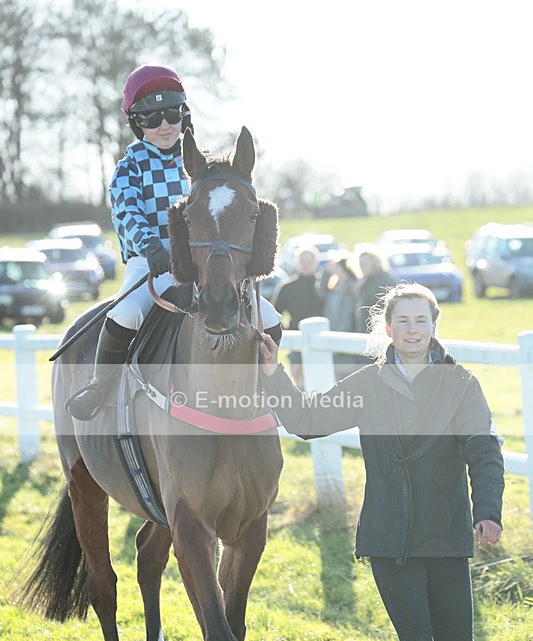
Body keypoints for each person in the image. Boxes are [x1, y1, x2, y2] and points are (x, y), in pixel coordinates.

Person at [260, 282, 504, 641]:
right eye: (403, 322)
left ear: (434, 326)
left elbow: (484, 452)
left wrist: (489, 512)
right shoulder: (368, 384)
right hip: (389, 535)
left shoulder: (461, 384)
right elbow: (307, 420)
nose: (413, 330)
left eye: (422, 321)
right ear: (387, 328)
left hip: (446, 533)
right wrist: (272, 374)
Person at [67, 63, 280, 420]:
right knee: (126, 311)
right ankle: (99, 386)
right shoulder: (129, 167)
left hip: (204, 263)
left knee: (269, 318)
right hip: (151, 261)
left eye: (171, 114)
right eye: (151, 118)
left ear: (184, 115)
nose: (164, 125)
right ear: (137, 123)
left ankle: (263, 384)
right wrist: (151, 246)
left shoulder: (206, 163)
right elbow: (125, 213)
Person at [271, 245, 324, 388]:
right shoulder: (287, 287)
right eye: (302, 260)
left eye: (309, 260)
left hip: (322, 339)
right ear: (297, 262)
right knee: (299, 378)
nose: (306, 264)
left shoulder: (324, 286)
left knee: (320, 380)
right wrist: (286, 332)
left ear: (316, 262)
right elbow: (275, 314)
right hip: (297, 339)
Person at [317, 249, 360, 379]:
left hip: (343, 341)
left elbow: (347, 318)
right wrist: (325, 271)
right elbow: (320, 292)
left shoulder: (351, 288)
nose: (334, 270)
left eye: (337, 268)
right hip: (332, 338)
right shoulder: (336, 286)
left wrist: (337, 337)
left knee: (345, 378)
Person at [352, 244, 397, 333]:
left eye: (365, 263)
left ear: (374, 262)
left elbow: (382, 308)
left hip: (378, 330)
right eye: (360, 263)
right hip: (364, 329)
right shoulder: (366, 281)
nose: (362, 266)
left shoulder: (384, 279)